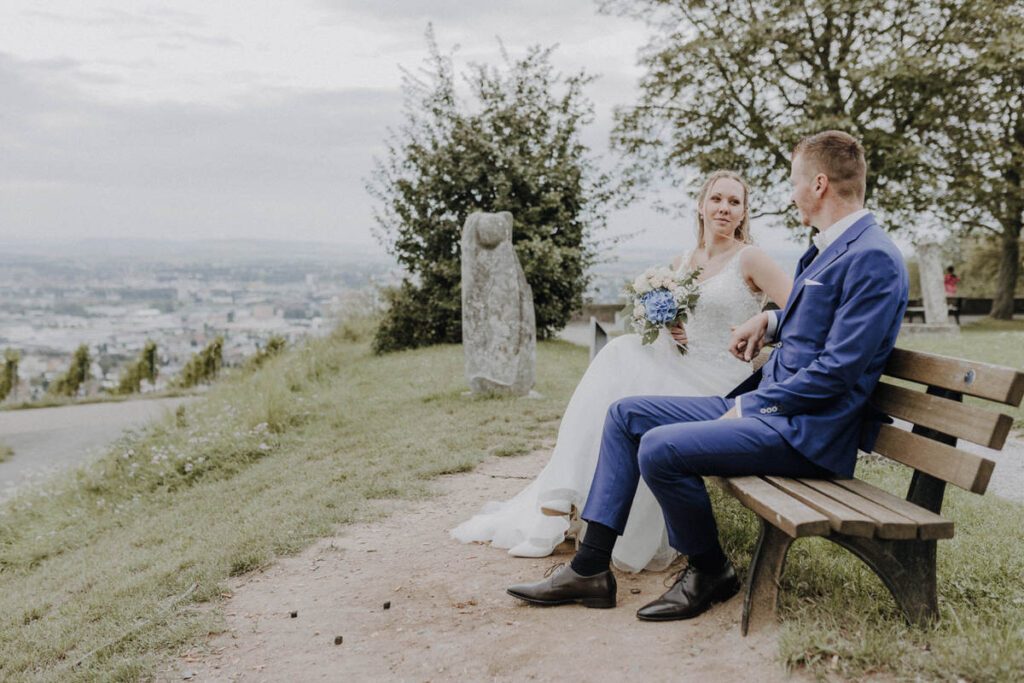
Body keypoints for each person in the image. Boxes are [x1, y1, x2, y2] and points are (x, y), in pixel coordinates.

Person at [506, 130, 908, 621]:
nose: (791, 192)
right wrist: (772, 320)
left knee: (660, 446)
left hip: (806, 432)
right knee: (626, 414)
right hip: (775, 411)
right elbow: (820, 320)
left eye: (795, 181)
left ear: (819, 184)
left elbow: (840, 372)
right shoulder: (829, 248)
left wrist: (753, 405)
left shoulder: (874, 257)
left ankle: (709, 569)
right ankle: (591, 568)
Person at [451, 170, 793, 572]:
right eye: (716, 199)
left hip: (720, 380)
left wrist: (762, 329)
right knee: (620, 358)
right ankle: (559, 505)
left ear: (743, 213)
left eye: (734, 202)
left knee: (622, 366)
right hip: (683, 363)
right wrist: (672, 327)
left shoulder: (750, 258)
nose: (724, 208)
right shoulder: (682, 261)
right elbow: (684, 325)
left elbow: (802, 311)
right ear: (701, 206)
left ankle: (570, 510)